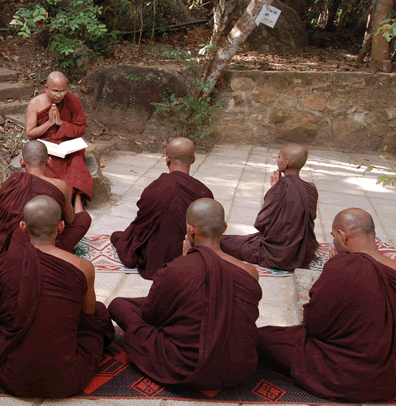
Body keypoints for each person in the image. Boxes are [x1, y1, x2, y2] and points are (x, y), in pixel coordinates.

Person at [109, 199, 262, 389]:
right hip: (237, 369)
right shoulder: (250, 272)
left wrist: (184, 260)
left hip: (185, 367)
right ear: (224, 227)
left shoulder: (176, 269)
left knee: (118, 305)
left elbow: (151, 316)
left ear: (190, 230)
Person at [0, 196, 115, 398]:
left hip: (12, 377)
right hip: (67, 378)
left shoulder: (3, 262)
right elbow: (89, 312)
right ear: (60, 227)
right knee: (99, 313)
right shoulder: (83, 267)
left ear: (23, 226)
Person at [258, 208, 396, 402]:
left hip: (345, 375)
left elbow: (314, 325)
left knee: (262, 338)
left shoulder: (343, 266)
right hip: (390, 377)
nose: (334, 242)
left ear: (343, 235)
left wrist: (331, 271)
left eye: (334, 237)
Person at [110, 137, 213, 279]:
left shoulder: (155, 188)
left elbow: (141, 225)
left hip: (154, 259)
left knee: (120, 236)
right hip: (190, 254)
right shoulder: (204, 192)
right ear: (194, 159)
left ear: (167, 160)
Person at [0, 140, 91, 254]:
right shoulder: (60, 185)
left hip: (11, 246)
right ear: (49, 161)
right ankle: (53, 250)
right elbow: (70, 220)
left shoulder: (10, 182)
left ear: (21, 162)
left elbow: (1, 216)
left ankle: (8, 246)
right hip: (49, 247)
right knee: (84, 217)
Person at [221, 144, 318, 270]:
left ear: (285, 163)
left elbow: (261, 224)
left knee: (223, 241)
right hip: (304, 253)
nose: (277, 159)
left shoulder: (278, 189)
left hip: (276, 255)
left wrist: (273, 191)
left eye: (279, 157)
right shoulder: (311, 189)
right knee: (245, 239)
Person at [26, 71, 92, 210]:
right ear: (46, 88)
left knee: (77, 161)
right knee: (48, 167)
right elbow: (30, 133)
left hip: (68, 143)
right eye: (55, 91)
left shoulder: (72, 101)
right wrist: (49, 123)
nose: (59, 95)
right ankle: (58, 201)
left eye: (63, 91)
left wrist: (61, 123)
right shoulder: (35, 103)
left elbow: (81, 129)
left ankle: (77, 201)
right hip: (47, 145)